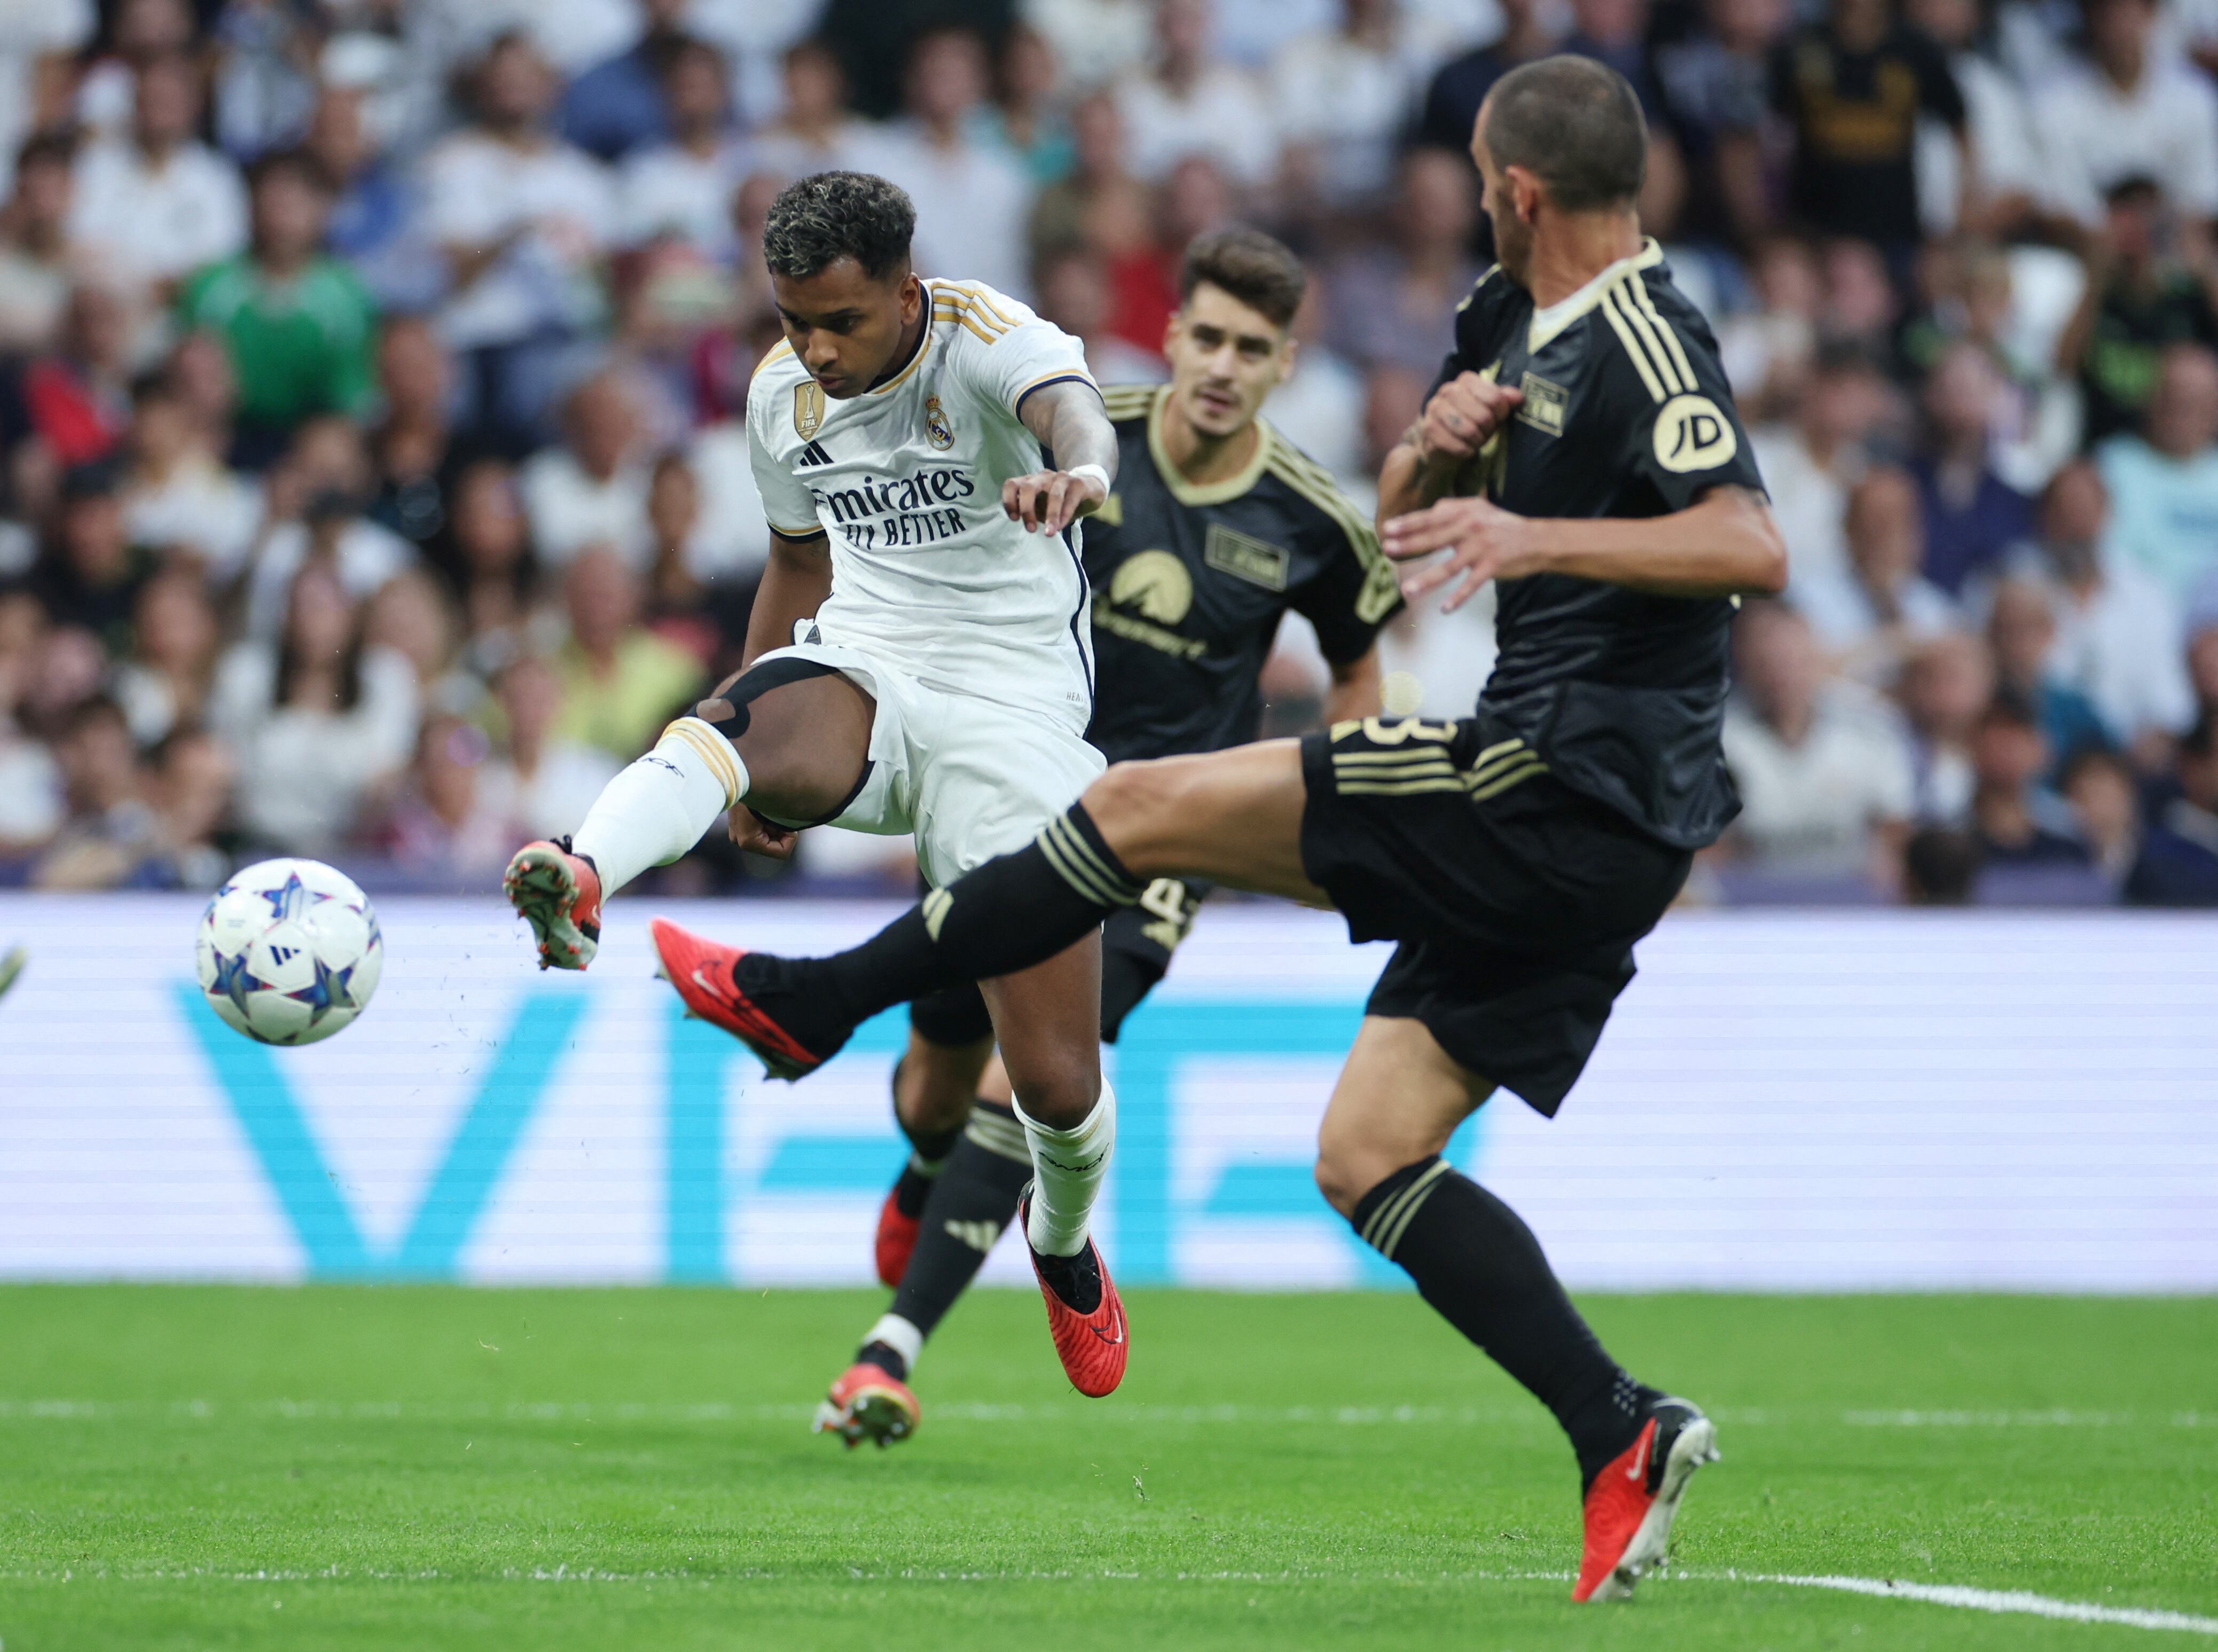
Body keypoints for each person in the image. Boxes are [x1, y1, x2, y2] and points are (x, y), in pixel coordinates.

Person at [641, 62, 1780, 1603]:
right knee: (1367, 1155)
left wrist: (1527, 531)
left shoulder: (1643, 330)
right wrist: (1442, 452)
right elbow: (1408, 499)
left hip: (1564, 771)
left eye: (1475, 176)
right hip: (1579, 823)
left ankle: (810, 998)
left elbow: (1749, 538)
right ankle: (1619, 1425)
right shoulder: (1503, 319)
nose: (1470, 197)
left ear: (1516, 189)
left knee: (1123, 810)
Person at [503, 171, 1131, 1412]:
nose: (817, 349)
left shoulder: (986, 337)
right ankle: (582, 867)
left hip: (1015, 713)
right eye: (795, 320)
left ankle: (1058, 1241)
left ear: (906, 291)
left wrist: (1084, 477)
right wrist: (754, 746)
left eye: (842, 320)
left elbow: (1074, 412)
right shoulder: (780, 394)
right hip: (870, 668)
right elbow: (797, 562)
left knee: (1054, 1086)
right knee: (724, 723)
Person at [829, 228, 1400, 1442]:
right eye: (1208, 337)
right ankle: (926, 1170)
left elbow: (1357, 665)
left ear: (1284, 365)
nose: (1223, 366)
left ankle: (891, 1348)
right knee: (931, 1088)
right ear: (1174, 335)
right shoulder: (1079, 429)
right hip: (1009, 792)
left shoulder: (1311, 519)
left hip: (1157, 846)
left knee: (1033, 1072)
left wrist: (1339, 805)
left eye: (1252, 348)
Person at [175, 150, 378, 466]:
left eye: (295, 203)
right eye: (273, 201)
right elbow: (191, 379)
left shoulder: (346, 296)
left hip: (312, 431)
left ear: (321, 210)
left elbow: (352, 397)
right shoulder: (212, 287)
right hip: (229, 430)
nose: (283, 216)